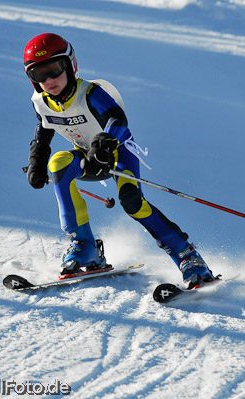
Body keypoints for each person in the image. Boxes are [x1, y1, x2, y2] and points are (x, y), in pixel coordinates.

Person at [23, 32, 215, 288]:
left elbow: (116, 118)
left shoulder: (89, 93)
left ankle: (187, 256)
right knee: (57, 162)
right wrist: (36, 161)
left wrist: (104, 143)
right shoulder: (41, 102)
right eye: (39, 74)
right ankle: (84, 246)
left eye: (54, 70)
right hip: (89, 156)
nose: (49, 80)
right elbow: (43, 130)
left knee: (132, 203)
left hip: (118, 151)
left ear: (70, 65)